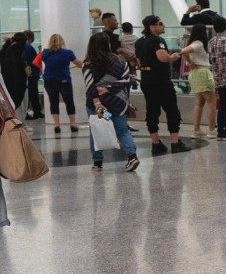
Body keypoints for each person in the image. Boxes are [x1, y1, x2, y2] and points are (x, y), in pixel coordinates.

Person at [82, 32, 139, 173]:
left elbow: (90, 87)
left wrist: (97, 103)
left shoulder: (88, 63)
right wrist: (109, 89)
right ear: (107, 44)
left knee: (96, 130)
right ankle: (132, 157)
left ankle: (98, 163)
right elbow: (126, 80)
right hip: (118, 103)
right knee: (122, 130)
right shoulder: (120, 60)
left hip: (98, 106)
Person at [135, 15, 191, 154]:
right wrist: (172, 57)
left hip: (146, 81)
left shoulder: (139, 42)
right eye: (160, 23)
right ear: (152, 27)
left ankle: (155, 143)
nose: (163, 25)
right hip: (161, 81)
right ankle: (175, 143)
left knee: (152, 112)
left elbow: (138, 62)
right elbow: (162, 57)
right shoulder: (157, 40)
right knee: (172, 111)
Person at [39, 33, 83, 134]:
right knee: (69, 101)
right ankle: (72, 124)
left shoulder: (45, 53)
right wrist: (86, 63)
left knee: (54, 102)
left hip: (49, 80)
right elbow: (78, 64)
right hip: (64, 80)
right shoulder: (67, 53)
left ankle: (57, 125)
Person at [180, 23, 217, 139]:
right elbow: (184, 51)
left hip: (196, 73)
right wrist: (190, 63)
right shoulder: (199, 43)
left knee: (199, 103)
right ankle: (211, 130)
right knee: (211, 102)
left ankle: (196, 130)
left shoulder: (194, 43)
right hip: (202, 73)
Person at [0, 33, 28, 119]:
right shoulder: (15, 51)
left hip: (8, 81)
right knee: (20, 105)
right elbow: (16, 70)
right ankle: (19, 124)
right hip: (16, 83)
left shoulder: (7, 49)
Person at [22, 30, 42, 120]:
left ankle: (35, 111)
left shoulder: (24, 47)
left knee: (31, 93)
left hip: (29, 74)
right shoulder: (28, 47)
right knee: (32, 93)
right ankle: (36, 111)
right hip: (32, 74)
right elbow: (31, 62)